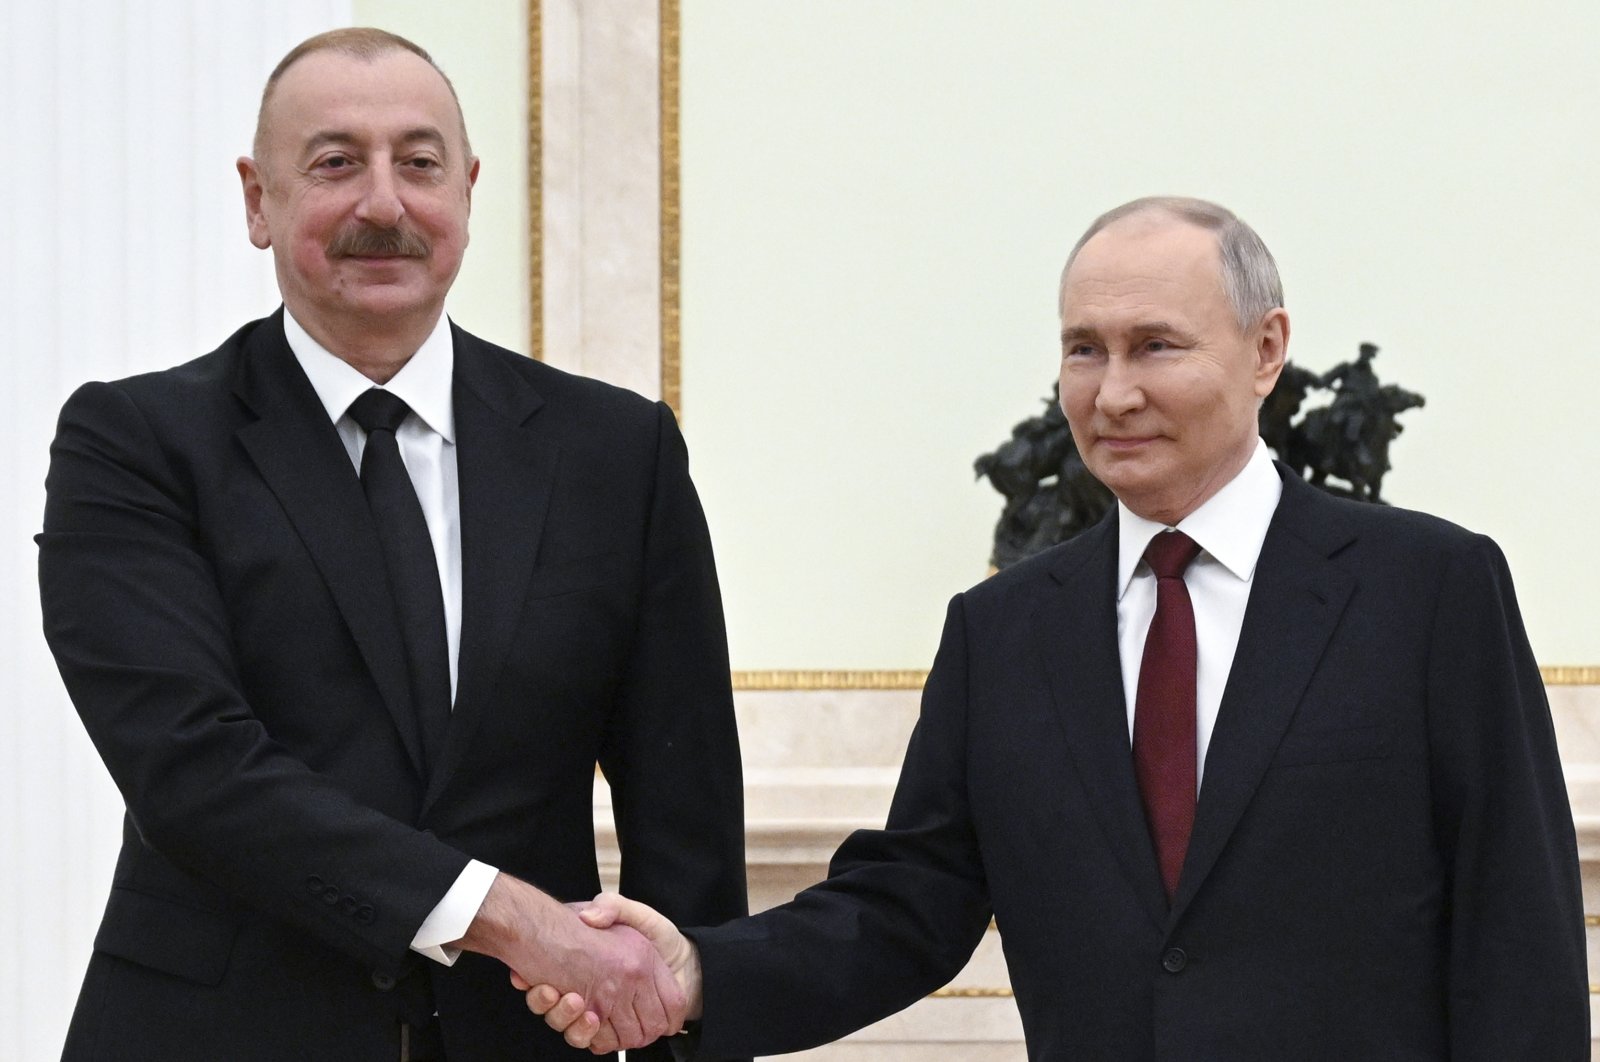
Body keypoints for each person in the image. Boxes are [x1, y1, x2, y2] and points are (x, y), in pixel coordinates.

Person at [527, 197, 1589, 1060]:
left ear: (1266, 350)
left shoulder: (1429, 589)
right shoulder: (1003, 632)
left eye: (1154, 347)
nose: (1112, 392)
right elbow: (910, 906)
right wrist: (701, 972)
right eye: (1083, 351)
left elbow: (1516, 928)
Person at [38, 28, 744, 1062]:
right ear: (256, 199)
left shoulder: (615, 452)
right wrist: (512, 919)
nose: (383, 205)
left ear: (466, 190)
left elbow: (685, 822)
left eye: (418, 163)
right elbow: (194, 770)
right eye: (334, 163)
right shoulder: (135, 444)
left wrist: (690, 1032)